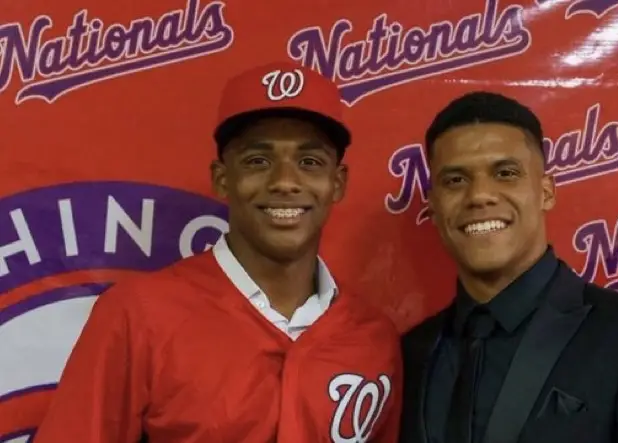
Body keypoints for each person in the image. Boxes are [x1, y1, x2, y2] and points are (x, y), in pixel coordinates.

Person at [35, 61, 402, 443]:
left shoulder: (374, 338)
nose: (285, 182)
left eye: (310, 162)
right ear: (223, 179)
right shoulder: (138, 315)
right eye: (258, 161)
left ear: (336, 183)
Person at [399, 91, 618, 443]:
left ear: (546, 192)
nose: (480, 195)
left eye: (506, 173)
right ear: (433, 205)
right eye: (455, 180)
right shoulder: (411, 353)